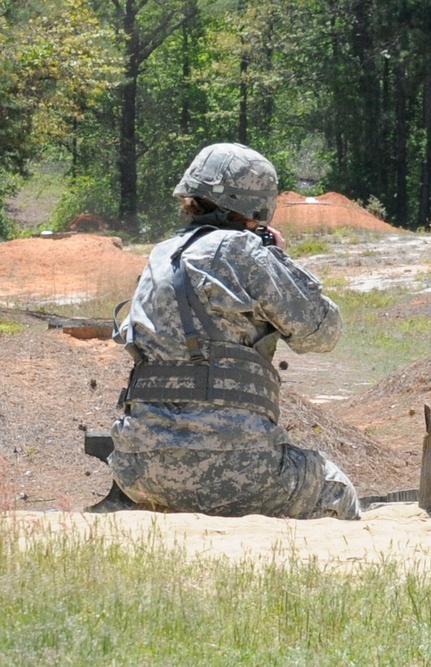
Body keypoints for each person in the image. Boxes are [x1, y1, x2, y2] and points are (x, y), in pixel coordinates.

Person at [103, 143, 360, 520]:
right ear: (256, 206)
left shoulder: (161, 254)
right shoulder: (244, 251)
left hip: (138, 470)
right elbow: (322, 334)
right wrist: (278, 256)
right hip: (240, 471)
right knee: (336, 490)